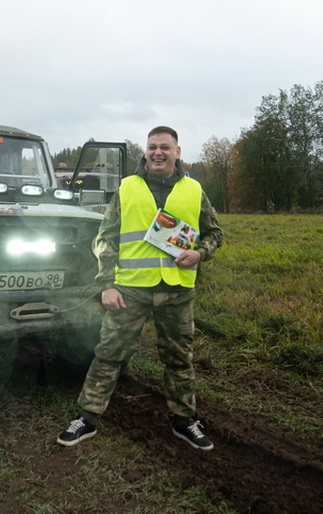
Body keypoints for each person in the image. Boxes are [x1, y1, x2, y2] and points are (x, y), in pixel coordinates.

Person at [57, 126, 223, 450]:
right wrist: (106, 285)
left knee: (179, 358)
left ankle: (184, 421)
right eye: (152, 147)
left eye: (165, 147)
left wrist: (200, 253)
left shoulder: (194, 189)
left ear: (178, 152)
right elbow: (105, 238)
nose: (158, 152)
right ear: (145, 152)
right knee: (109, 354)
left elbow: (214, 232)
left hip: (176, 290)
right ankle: (87, 419)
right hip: (130, 289)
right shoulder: (127, 188)